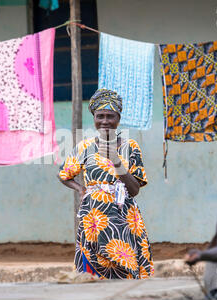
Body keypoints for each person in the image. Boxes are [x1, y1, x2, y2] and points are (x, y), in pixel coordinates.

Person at [57, 88, 154, 279]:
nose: (105, 121)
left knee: (125, 265)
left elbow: (134, 190)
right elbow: (64, 174)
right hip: (93, 217)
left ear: (118, 118)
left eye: (110, 116)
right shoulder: (84, 147)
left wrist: (116, 160)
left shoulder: (130, 147)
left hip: (123, 217)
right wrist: (81, 189)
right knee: (93, 266)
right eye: (100, 116)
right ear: (94, 117)